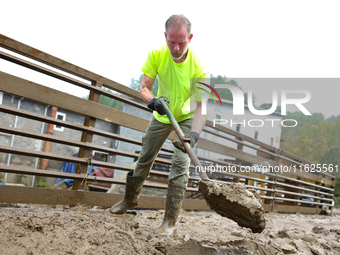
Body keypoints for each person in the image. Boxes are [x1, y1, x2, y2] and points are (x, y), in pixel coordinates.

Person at [110, 14, 209, 235]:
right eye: (171, 42)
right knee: (144, 157)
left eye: (181, 43)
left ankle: (170, 222)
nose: (175, 48)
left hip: (185, 119)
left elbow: (202, 107)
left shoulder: (199, 67)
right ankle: (129, 200)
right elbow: (144, 87)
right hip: (162, 113)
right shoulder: (156, 55)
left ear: (190, 38)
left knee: (180, 165)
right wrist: (152, 102)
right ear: (165, 36)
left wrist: (193, 136)